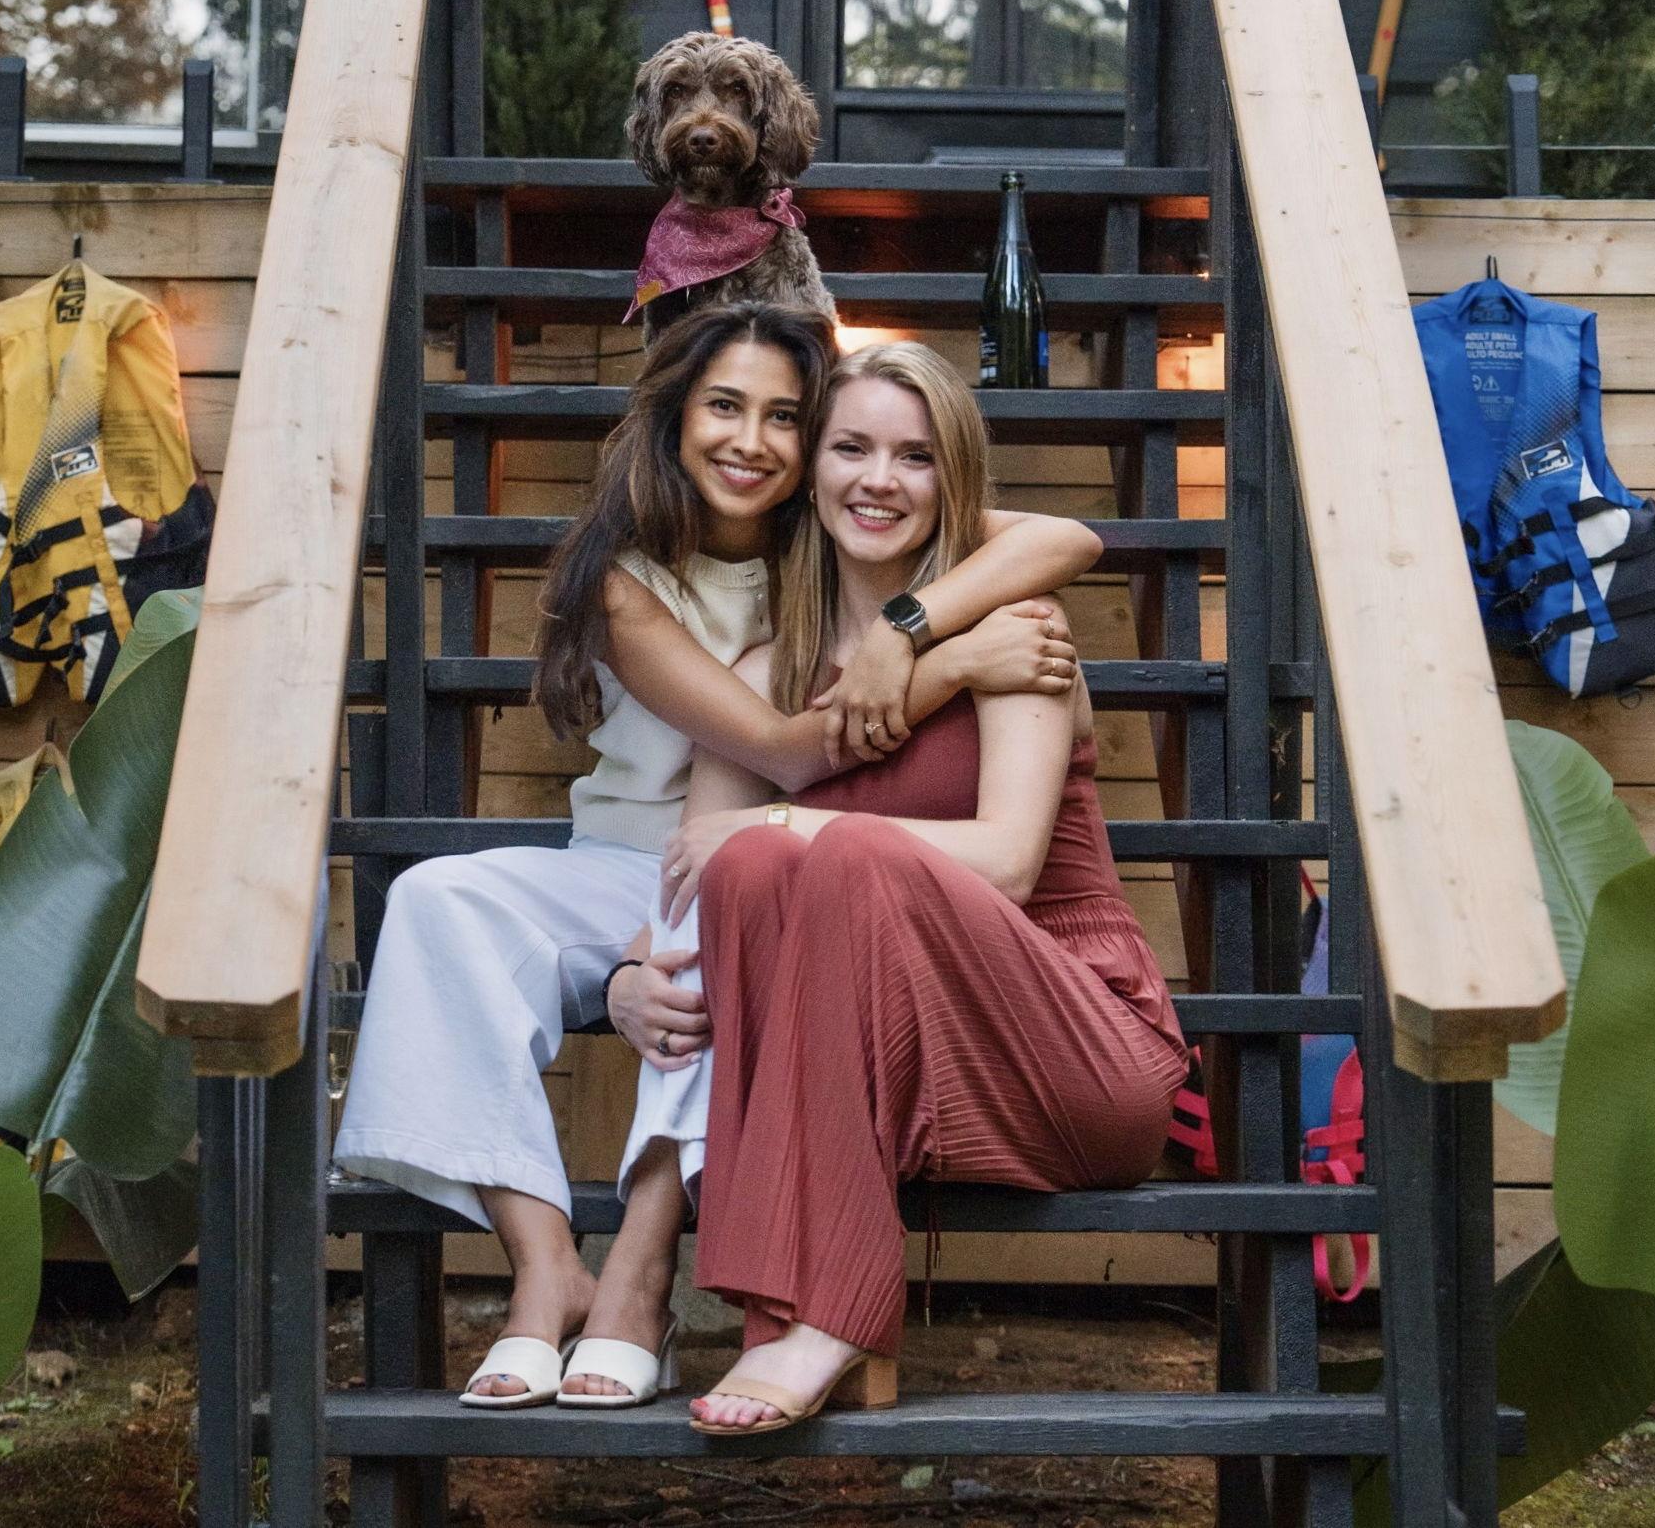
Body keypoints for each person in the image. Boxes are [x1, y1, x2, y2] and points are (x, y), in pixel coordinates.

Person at [332, 303, 1101, 1410]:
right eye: (724, 408)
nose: (751, 441)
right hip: (649, 851)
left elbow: (1062, 538)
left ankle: (639, 1275)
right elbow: (781, 753)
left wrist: (904, 627)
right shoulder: (626, 579)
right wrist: (946, 662)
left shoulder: (838, 528)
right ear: (673, 417)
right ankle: (545, 1266)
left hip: (750, 857)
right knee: (434, 899)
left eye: (784, 417)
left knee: (731, 878)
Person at [624, 340, 1190, 1435]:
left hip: (1071, 1047)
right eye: (850, 449)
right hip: (883, 1069)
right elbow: (698, 891)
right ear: (809, 470)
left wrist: (795, 816)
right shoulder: (765, 680)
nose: (878, 480)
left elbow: (1008, 861)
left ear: (952, 482)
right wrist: (627, 980)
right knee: (756, 867)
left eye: (915, 457)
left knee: (828, 853)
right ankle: (781, 1313)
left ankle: (835, 1310)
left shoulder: (1016, 635)